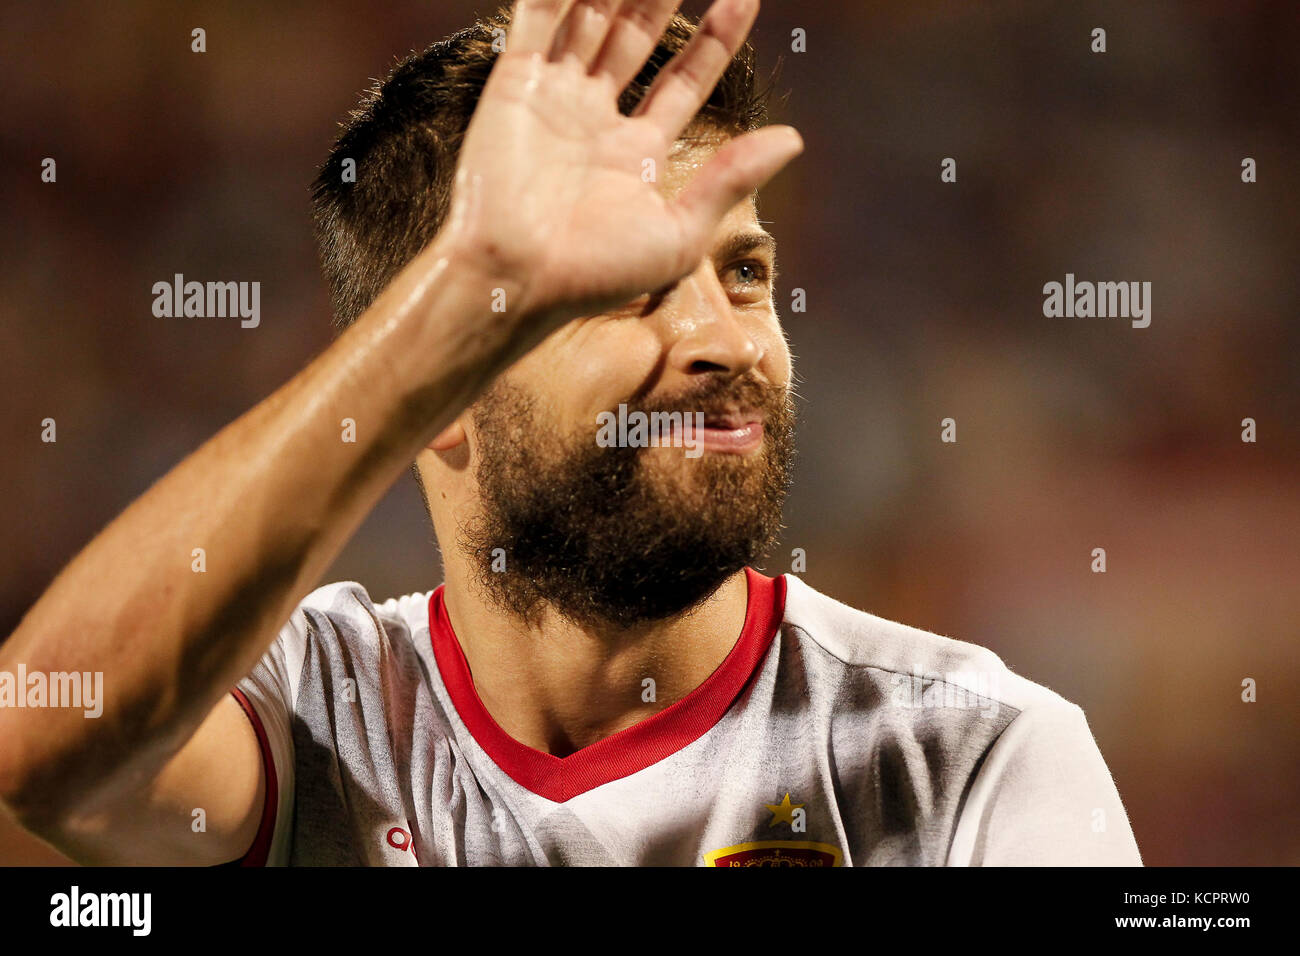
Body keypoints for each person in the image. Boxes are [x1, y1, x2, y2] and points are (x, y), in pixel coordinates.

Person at [0, 0, 1141, 866]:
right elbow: (43, 748)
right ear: (439, 382)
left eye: (745, 271)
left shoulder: (968, 754)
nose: (725, 340)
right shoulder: (321, 714)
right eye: (626, 282)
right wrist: (456, 299)